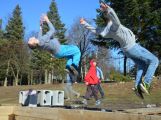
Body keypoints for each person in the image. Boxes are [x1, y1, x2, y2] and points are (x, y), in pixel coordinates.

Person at [80, 1, 159, 97]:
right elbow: (115, 18)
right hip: (133, 47)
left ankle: (137, 87)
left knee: (141, 65)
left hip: (127, 51)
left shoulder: (107, 31)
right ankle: (146, 83)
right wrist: (108, 9)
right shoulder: (115, 26)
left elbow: (95, 30)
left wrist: (84, 23)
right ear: (110, 20)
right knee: (154, 61)